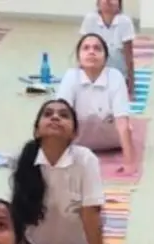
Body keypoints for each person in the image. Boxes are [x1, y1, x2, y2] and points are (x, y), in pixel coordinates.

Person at [9, 99, 111, 244]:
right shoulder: (25, 159)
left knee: (96, 209)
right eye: (48, 114)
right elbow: (19, 213)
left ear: (74, 133)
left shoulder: (86, 159)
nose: (55, 117)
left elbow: (91, 217)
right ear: (37, 130)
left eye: (64, 115)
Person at [55, 33, 137, 174]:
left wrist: (129, 162)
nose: (91, 51)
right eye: (86, 48)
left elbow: (122, 123)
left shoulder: (115, 77)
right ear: (78, 58)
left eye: (97, 48)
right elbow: (60, 116)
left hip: (111, 142)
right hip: (77, 143)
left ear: (105, 58)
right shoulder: (71, 76)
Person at [78, 0, 136, 98]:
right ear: (98, 3)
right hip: (94, 72)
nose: (108, 1)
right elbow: (82, 51)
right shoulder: (90, 19)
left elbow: (129, 57)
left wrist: (131, 87)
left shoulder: (125, 21)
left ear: (119, 3)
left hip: (118, 74)